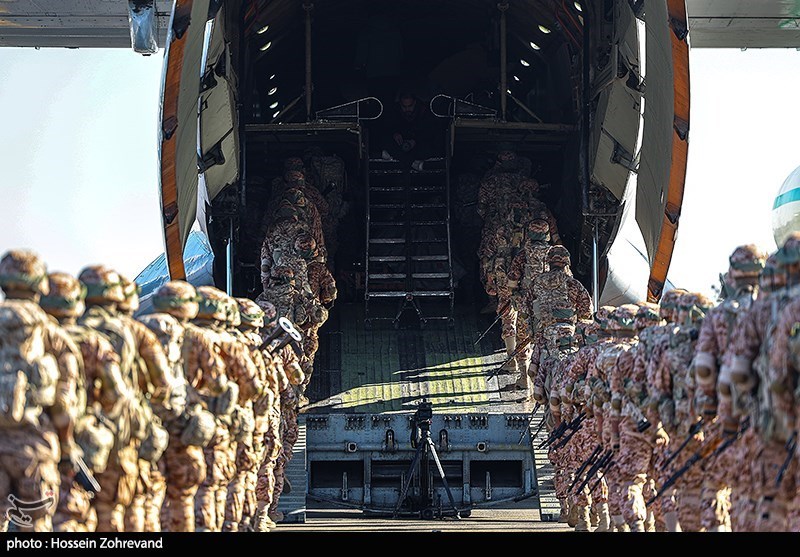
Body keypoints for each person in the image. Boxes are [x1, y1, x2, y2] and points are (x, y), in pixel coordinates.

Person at [376, 91, 439, 169]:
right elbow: (387, 127)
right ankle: (411, 163)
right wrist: (395, 133)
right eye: (404, 107)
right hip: (400, 144)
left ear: (415, 103)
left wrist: (415, 141)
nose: (407, 109)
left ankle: (403, 159)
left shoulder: (424, 111)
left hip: (418, 145)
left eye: (410, 106)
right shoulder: (394, 110)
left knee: (428, 146)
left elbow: (429, 131)